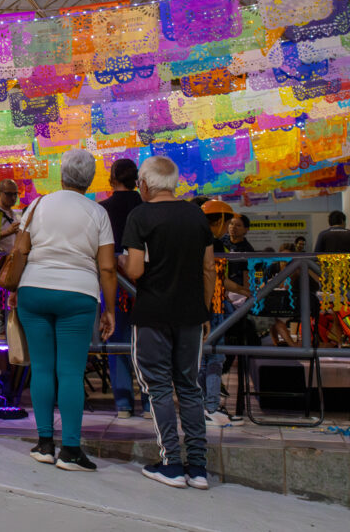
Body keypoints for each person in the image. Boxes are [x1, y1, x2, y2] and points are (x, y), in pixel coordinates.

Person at [16, 149, 116, 471]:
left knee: (42, 368)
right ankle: (70, 450)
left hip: (33, 288)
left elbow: (20, 248)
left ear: (61, 174)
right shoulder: (98, 213)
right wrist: (109, 309)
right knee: (70, 371)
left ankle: (45, 444)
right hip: (78, 293)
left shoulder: (38, 204)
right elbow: (108, 268)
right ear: (90, 179)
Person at [121, 155, 214, 490]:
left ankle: (172, 463)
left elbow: (134, 271)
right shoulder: (195, 213)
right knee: (190, 387)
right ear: (174, 183)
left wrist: (122, 260)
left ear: (144, 185)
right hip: (191, 314)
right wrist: (204, 311)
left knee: (158, 387)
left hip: (153, 315)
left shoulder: (140, 215)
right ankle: (199, 469)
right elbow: (208, 268)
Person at [98, 158, 148, 419]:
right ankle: (151, 404)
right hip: (146, 281)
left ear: (112, 178)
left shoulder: (101, 209)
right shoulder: (146, 206)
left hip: (113, 281)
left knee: (117, 339)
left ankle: (124, 405)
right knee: (148, 342)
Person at [199, 200, 248, 426]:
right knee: (215, 357)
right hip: (212, 307)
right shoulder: (214, 243)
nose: (229, 226)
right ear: (218, 221)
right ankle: (209, 407)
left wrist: (239, 289)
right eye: (228, 221)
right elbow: (214, 274)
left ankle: (201, 407)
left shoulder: (193, 238)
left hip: (198, 305)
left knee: (200, 358)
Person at [224, 214, 254, 287]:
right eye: (231, 224)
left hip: (237, 290)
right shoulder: (221, 242)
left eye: (238, 225)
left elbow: (247, 276)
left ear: (246, 229)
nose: (233, 227)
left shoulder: (247, 250)